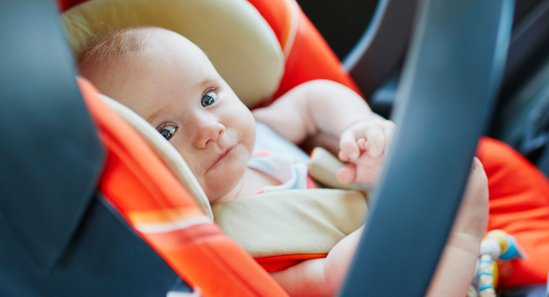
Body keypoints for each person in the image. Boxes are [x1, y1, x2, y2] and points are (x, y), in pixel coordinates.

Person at [77, 27, 489, 297]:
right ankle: (462, 238)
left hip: (400, 227)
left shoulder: (264, 128)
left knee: (459, 168)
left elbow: (313, 100)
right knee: (459, 195)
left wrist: (360, 125)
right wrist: (411, 225)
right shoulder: (215, 247)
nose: (210, 128)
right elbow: (326, 280)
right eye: (166, 132)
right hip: (379, 274)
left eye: (208, 97)